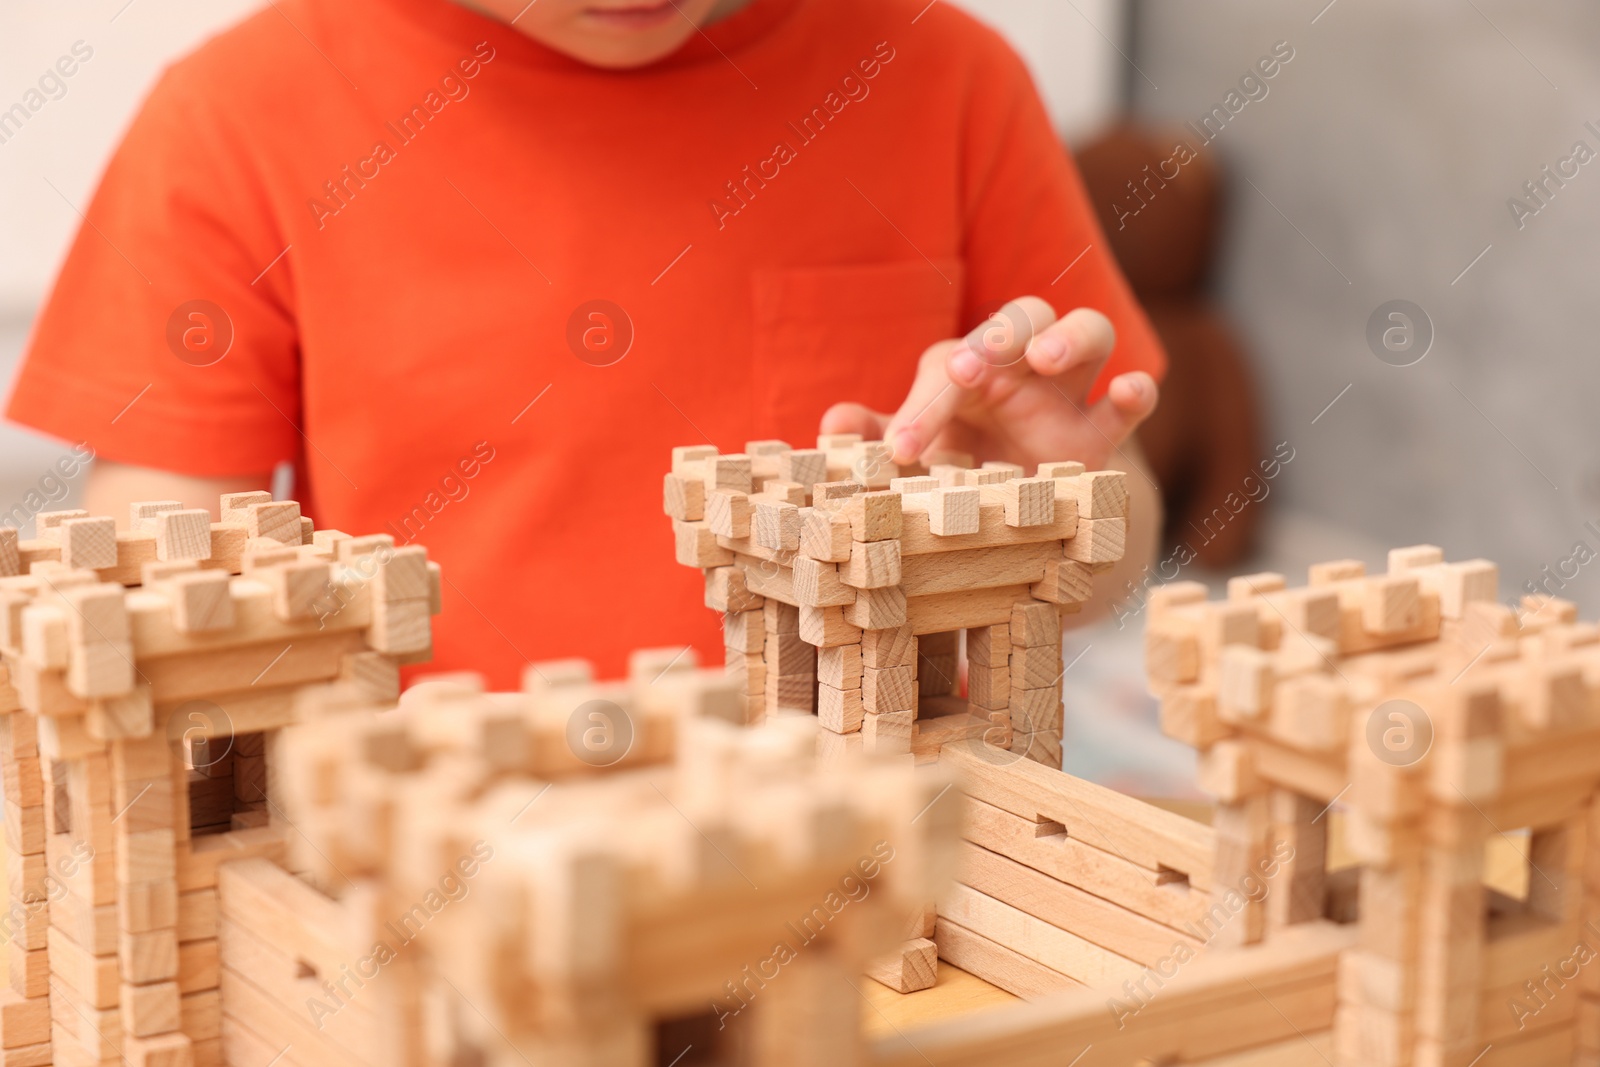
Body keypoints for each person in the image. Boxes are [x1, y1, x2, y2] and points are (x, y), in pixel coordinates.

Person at [6, 0, 1164, 685]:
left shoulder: (945, 79)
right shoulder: (233, 120)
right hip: (427, 882)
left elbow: (1120, 538)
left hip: (857, 876)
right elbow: (167, 597)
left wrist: (1050, 506)